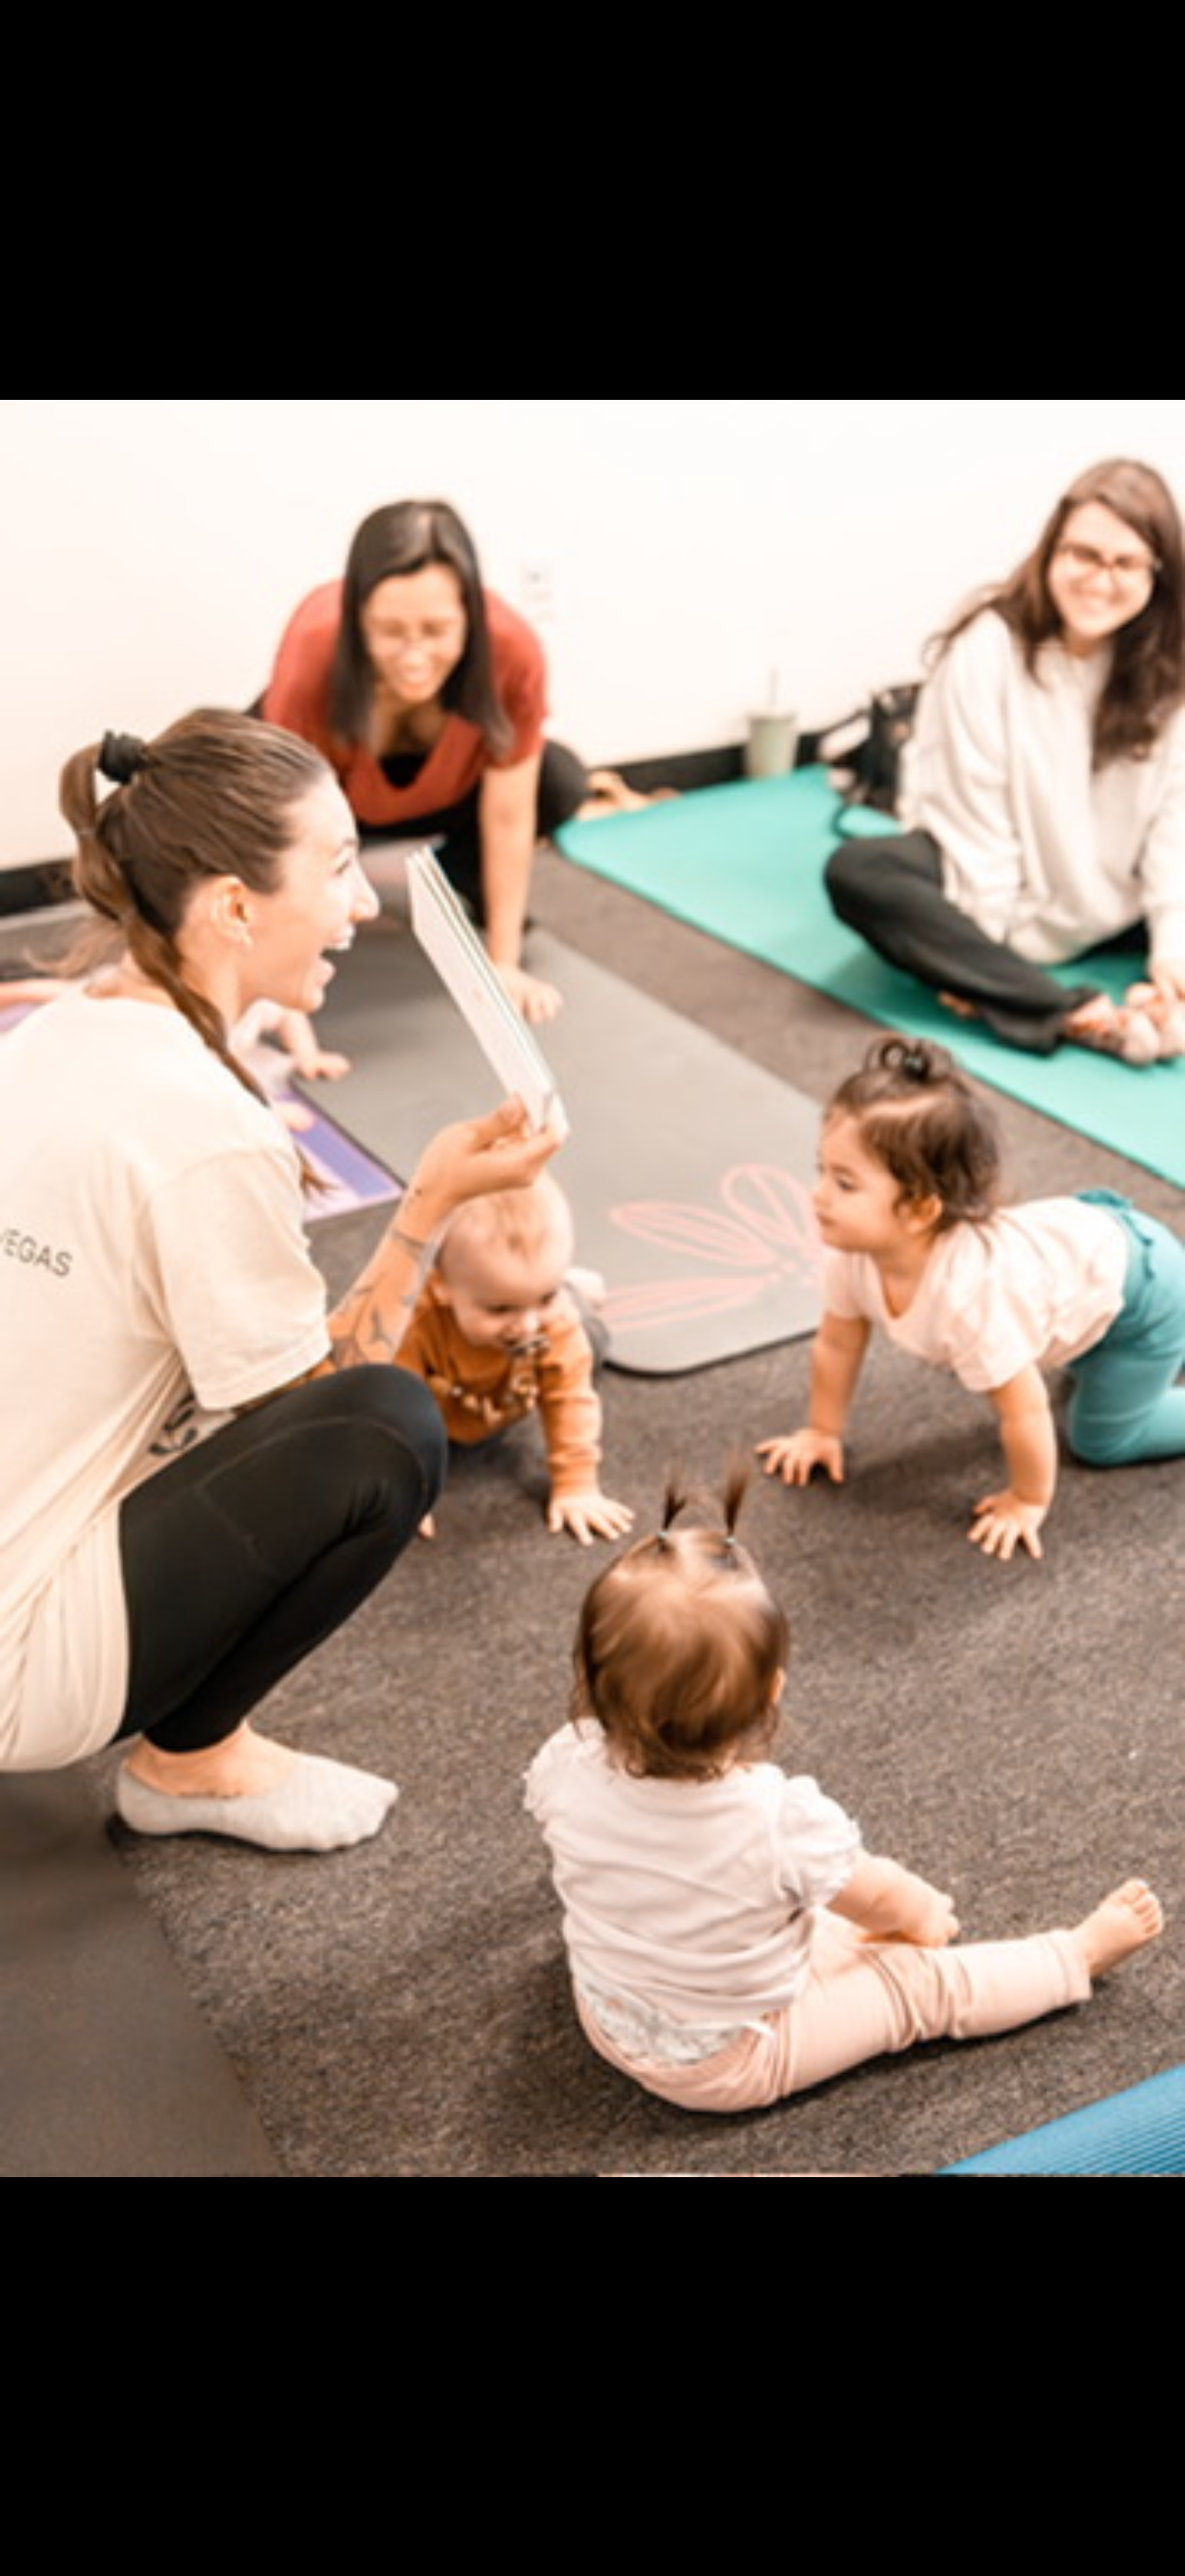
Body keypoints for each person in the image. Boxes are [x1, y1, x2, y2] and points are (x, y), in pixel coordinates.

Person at [0, 710, 560, 1851]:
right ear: (235, 906)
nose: (364, 903)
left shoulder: (55, 1031)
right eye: (341, 866)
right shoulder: (205, 1134)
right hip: (21, 1662)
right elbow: (313, 1410)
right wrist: (432, 1205)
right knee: (390, 1428)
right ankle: (192, 1760)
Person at [525, 1475, 1161, 2114]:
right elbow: (881, 1897)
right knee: (913, 1985)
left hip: (605, 2010)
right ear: (772, 1692)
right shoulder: (781, 1823)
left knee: (772, 1903)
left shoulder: (562, 1759)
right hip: (728, 2060)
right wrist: (922, 1916)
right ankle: (1072, 1957)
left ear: (587, 1673)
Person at [757, 1036, 1185, 1560]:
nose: (819, 1195)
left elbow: (1024, 1412)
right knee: (1071, 1375)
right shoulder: (852, 1252)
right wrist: (823, 1431)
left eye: (845, 1184)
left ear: (918, 1210)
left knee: (1099, 1439)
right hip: (1091, 1261)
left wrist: (1028, 1500)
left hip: (1146, 1297)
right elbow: (838, 1343)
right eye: (822, 1170)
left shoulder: (972, 1300)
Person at [825, 459, 1185, 1061]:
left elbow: (1175, 829)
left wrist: (1172, 951)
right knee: (861, 872)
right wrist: (985, 951)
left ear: (1158, 573)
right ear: (1051, 552)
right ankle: (1068, 1009)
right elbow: (973, 822)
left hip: (1114, 897)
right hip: (997, 891)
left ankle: (1133, 1000)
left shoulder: (1171, 669)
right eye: (1082, 555)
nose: (1100, 580)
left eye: (1124, 563)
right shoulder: (991, 648)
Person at [262, 499, 587, 1026]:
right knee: (227, 807)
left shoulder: (512, 650)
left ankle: (445, 878)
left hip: (443, 799)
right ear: (358, 619)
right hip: (333, 797)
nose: (414, 657)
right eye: (390, 632)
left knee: (561, 780)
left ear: (470, 619)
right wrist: (283, 975)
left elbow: (509, 816)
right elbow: (286, 821)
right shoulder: (316, 647)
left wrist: (501, 963)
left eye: (436, 632)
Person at [399, 1175, 634, 1545]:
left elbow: (571, 1399)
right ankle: (561, 1285)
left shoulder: (552, 1323)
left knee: (590, 1341)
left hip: (521, 1377)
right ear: (441, 1287)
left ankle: (567, 1287)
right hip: (452, 1405)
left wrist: (577, 1484)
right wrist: (404, 1489)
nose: (526, 1325)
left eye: (544, 1296)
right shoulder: (412, 1326)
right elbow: (395, 1414)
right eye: (500, 1307)